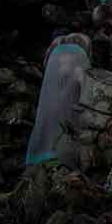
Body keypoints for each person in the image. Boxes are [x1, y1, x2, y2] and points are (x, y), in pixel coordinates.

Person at [25, 32, 92, 167]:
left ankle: (43, 156)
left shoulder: (56, 57)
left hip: (50, 114)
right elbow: (87, 91)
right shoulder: (79, 61)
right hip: (68, 117)